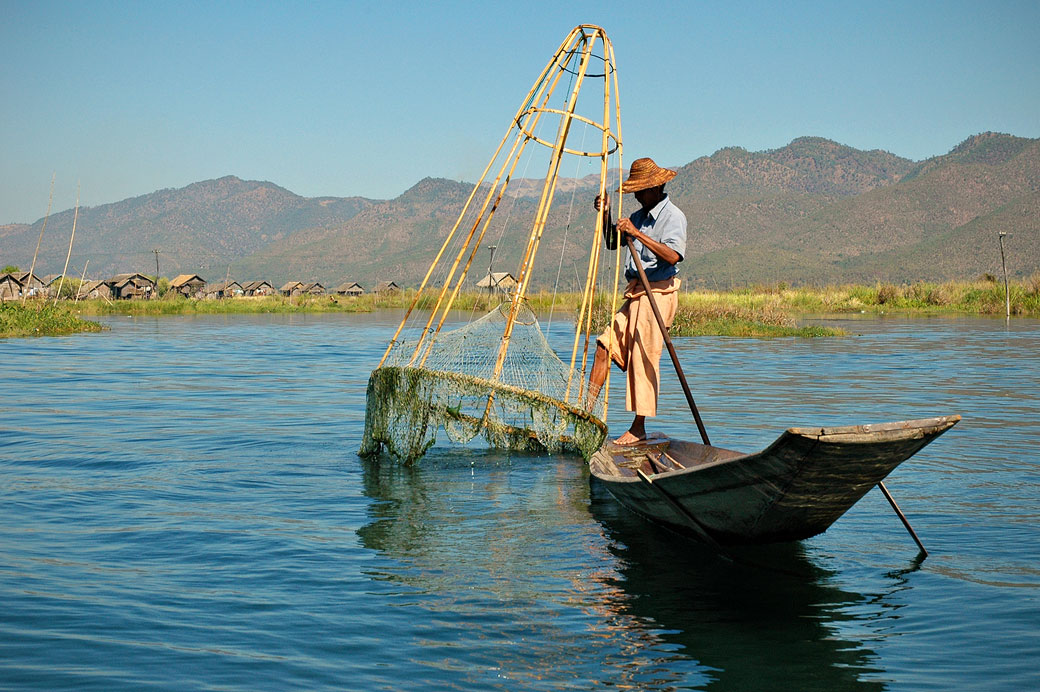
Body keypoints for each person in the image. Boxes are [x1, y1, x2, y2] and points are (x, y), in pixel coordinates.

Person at [586, 157, 687, 445]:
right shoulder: (640, 215)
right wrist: (606, 215)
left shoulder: (673, 217)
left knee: (643, 357)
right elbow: (612, 241)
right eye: (636, 193)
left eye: (642, 191)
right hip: (636, 291)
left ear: (657, 187)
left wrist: (637, 233)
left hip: (658, 293)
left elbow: (673, 256)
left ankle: (638, 427)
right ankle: (585, 412)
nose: (638, 196)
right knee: (605, 345)